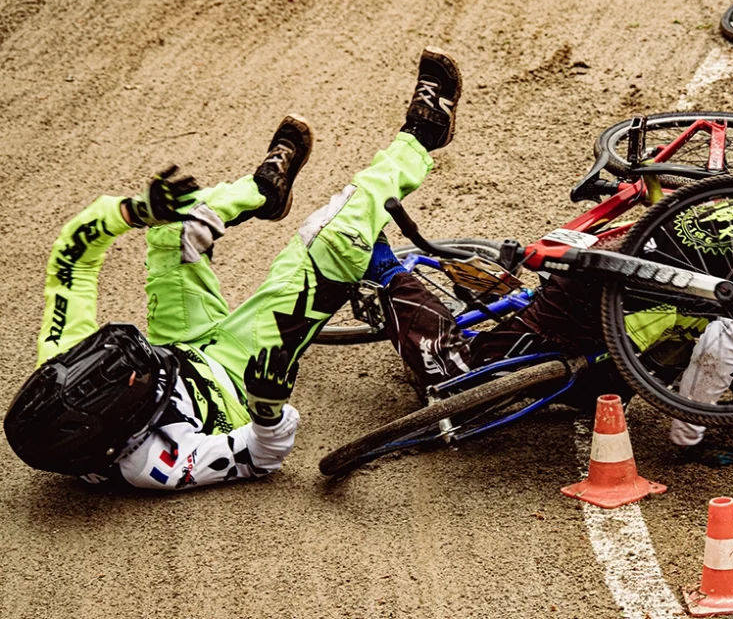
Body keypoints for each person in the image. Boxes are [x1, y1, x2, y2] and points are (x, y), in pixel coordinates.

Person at [4, 47, 463, 490]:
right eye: (136, 380)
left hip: (177, 344)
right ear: (127, 435)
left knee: (172, 225)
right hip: (236, 375)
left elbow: (72, 252)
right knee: (335, 238)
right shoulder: (156, 465)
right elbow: (262, 456)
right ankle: (422, 135)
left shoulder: (60, 362)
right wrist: (267, 406)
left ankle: (264, 192)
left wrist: (137, 210)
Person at [365, 154, 733, 465]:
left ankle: (496, 313)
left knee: (596, 383)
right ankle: (382, 268)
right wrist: (689, 435)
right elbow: (722, 348)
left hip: (627, 269)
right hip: (606, 297)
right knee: (453, 376)